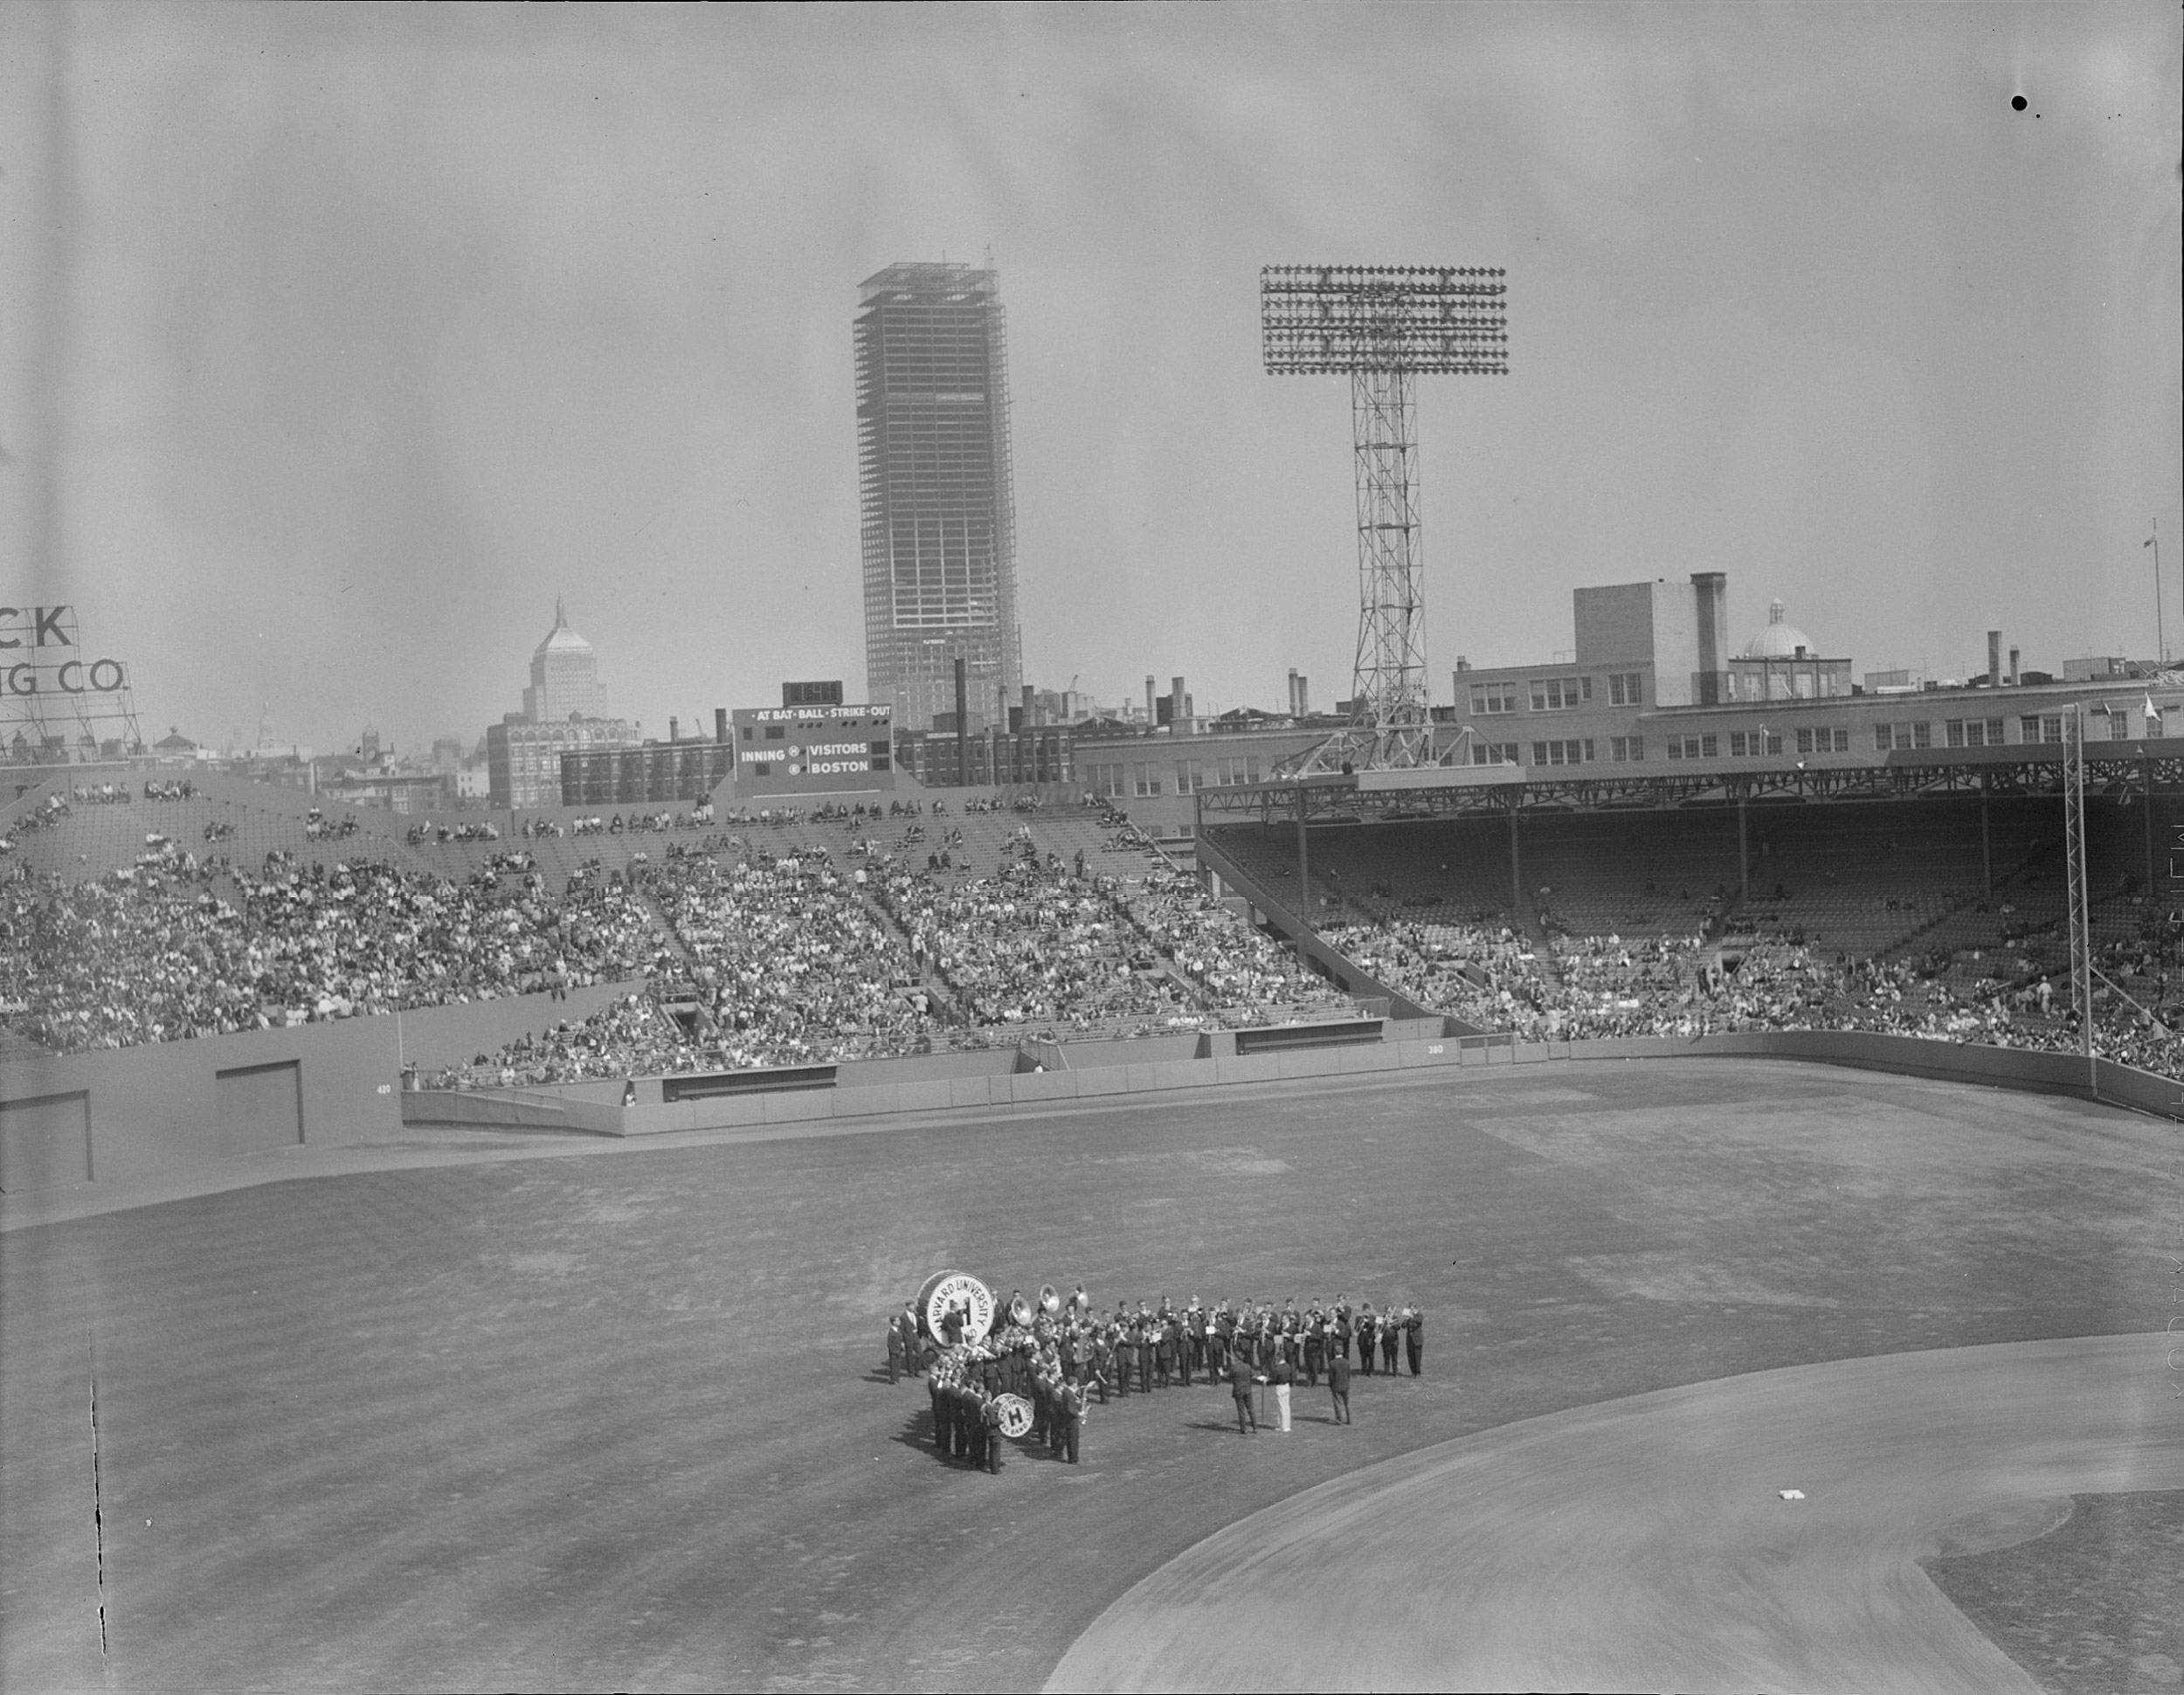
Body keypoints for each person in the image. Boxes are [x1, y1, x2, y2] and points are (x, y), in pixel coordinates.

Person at [1228, 1351, 1261, 1436]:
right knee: (1251, 1409)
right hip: (1247, 1390)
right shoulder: (1247, 1366)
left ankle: (1244, 1429)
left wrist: (1220, 1374)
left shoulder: (1234, 1368)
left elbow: (1229, 1377)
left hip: (1238, 1391)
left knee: (1241, 1410)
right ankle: (1255, 1427)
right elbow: (1252, 1374)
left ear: (1236, 1358)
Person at [1268, 1348, 1295, 1432]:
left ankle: (1284, 1426)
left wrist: (1267, 1382)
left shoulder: (1277, 1368)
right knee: (1286, 1406)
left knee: (1281, 1407)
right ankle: (1286, 1424)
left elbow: (1273, 1379)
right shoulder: (1288, 1366)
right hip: (1287, 1386)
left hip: (1280, 1387)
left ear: (1279, 1357)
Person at [1328, 1345, 1352, 1424]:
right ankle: (1350, 1419)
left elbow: (1331, 1376)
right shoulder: (1346, 1362)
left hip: (1336, 1385)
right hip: (1345, 1385)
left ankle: (1339, 1419)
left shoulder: (1332, 1363)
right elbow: (1349, 1374)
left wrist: (1331, 1385)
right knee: (1347, 1403)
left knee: (1338, 1403)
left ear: (1335, 1352)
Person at [886, 1316, 906, 1385]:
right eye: (897, 1321)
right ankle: (893, 1380)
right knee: (893, 1365)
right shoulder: (891, 1332)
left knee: (898, 1365)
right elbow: (889, 1343)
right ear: (893, 1322)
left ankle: (897, 1378)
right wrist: (893, 1351)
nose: (899, 1322)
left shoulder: (898, 1330)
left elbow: (901, 1339)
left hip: (899, 1350)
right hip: (894, 1352)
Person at [1405, 1304, 1423, 1377]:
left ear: (1415, 1308)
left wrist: (1412, 1317)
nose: (1411, 1310)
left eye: (1412, 1309)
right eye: (1410, 1309)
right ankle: (1413, 1372)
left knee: (1417, 1357)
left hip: (1417, 1339)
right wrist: (1406, 1319)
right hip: (1409, 1339)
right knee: (1410, 1356)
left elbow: (1419, 1322)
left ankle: (1418, 1372)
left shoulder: (1419, 1315)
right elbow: (1403, 1325)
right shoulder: (1409, 1317)